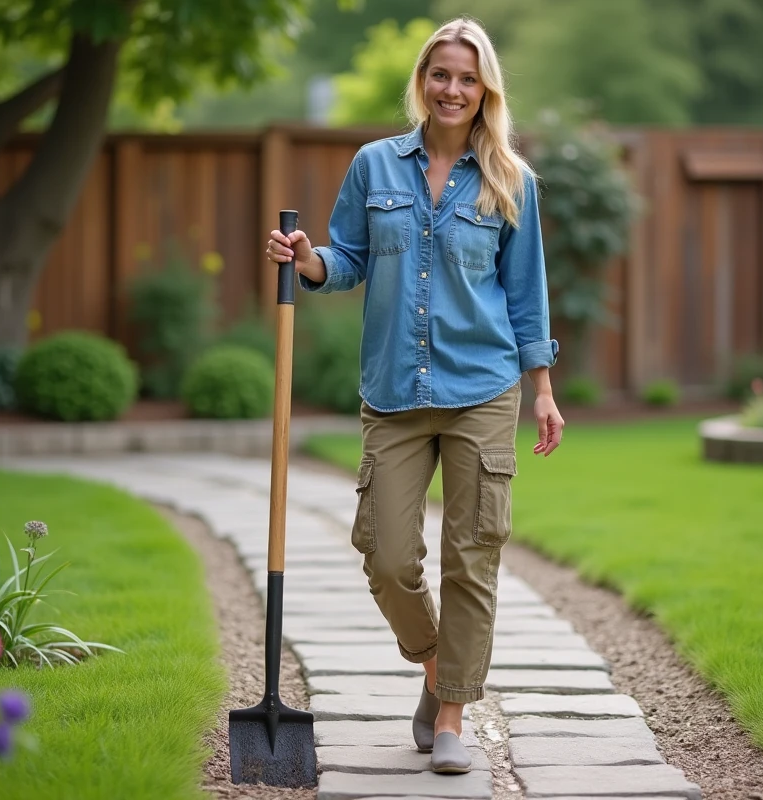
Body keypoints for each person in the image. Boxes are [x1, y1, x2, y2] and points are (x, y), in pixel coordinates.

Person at [264, 16, 564, 775]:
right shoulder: (375, 165)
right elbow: (350, 259)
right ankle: (439, 670)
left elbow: (525, 296)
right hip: (395, 389)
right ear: (422, 83)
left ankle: (454, 716)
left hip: (483, 388)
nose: (452, 89)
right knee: (386, 555)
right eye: (441, 74)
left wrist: (544, 389)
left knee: (473, 556)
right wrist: (308, 261)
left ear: (485, 88)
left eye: (467, 77)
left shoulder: (511, 180)